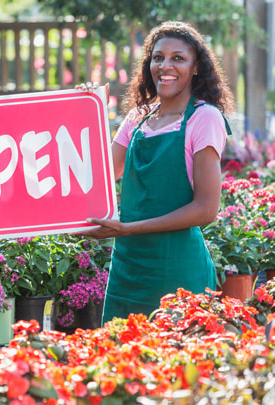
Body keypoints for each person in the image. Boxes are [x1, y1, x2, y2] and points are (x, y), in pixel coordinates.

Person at [75, 21, 235, 324]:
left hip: (178, 273)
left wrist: (129, 228)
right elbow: (97, 176)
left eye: (178, 58)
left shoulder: (204, 118)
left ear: (197, 66)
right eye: (158, 57)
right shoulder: (138, 117)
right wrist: (82, 113)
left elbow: (206, 209)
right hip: (128, 271)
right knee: (121, 362)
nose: (165, 66)